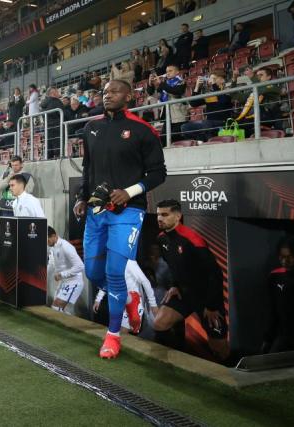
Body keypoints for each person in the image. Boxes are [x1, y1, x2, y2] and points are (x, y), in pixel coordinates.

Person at [73, 79, 167, 359]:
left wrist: (129, 192)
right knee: (92, 272)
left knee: (115, 272)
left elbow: (158, 173)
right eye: (104, 92)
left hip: (129, 211)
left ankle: (113, 336)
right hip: (96, 209)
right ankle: (128, 298)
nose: (107, 95)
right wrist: (81, 196)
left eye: (114, 91)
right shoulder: (91, 127)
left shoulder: (143, 130)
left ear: (129, 96)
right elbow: (88, 168)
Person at [153, 199, 229, 361]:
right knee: (160, 323)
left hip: (206, 297)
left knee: (219, 347)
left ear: (178, 216)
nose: (160, 218)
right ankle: (173, 364)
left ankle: (231, 377)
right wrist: (174, 285)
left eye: (165, 215)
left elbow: (214, 273)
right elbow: (174, 267)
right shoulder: (162, 239)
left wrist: (211, 305)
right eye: (158, 214)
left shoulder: (193, 240)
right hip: (184, 294)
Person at [94, 260, 158, 334]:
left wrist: (153, 304)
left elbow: (145, 281)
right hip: (120, 300)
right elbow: (107, 280)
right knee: (120, 331)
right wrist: (98, 299)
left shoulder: (130, 263)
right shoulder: (109, 261)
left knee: (123, 331)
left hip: (135, 301)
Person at [181, 71, 233, 142]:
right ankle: (200, 141)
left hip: (223, 122)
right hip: (209, 123)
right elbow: (193, 103)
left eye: (214, 78)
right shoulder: (209, 94)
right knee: (185, 127)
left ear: (222, 80)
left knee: (206, 124)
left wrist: (214, 85)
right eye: (211, 79)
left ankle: (208, 141)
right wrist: (197, 87)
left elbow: (223, 101)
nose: (211, 81)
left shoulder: (228, 90)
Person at [48, 226, 85, 313]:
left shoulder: (66, 246)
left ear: (53, 236)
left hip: (74, 282)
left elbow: (80, 266)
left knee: (56, 307)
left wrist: (61, 275)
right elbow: (53, 264)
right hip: (64, 281)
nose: (46, 242)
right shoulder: (52, 247)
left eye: (48, 240)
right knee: (56, 309)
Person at [236, 67, 283, 135]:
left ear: (269, 77)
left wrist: (252, 77)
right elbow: (238, 98)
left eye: (261, 75)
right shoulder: (255, 88)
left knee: (238, 125)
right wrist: (234, 80)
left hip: (267, 116)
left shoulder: (273, 87)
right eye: (257, 76)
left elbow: (262, 90)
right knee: (233, 125)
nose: (258, 77)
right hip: (254, 117)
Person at [147, 65, 187, 141]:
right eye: (167, 71)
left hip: (178, 116)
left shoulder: (181, 81)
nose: (168, 73)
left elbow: (176, 92)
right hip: (167, 116)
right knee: (163, 139)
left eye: (170, 71)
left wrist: (161, 84)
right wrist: (150, 84)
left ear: (177, 72)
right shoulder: (165, 84)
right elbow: (153, 94)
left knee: (177, 139)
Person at [40, 87, 65, 159]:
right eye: (57, 92)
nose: (58, 93)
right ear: (53, 93)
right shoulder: (56, 101)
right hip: (57, 126)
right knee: (58, 147)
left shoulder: (44, 103)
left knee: (49, 147)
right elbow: (62, 114)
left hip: (47, 127)